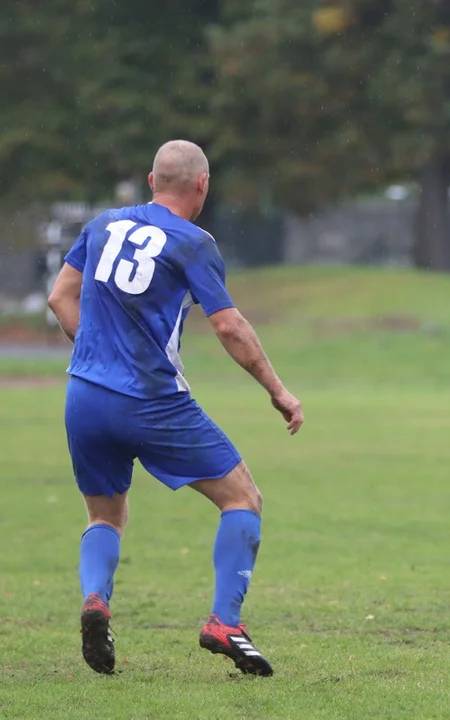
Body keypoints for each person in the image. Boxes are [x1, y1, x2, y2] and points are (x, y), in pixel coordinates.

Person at [47, 139, 304, 676]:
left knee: (104, 515)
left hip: (85, 395)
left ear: (150, 181)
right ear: (202, 186)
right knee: (242, 499)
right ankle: (224, 622)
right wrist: (278, 391)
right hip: (152, 401)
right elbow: (229, 325)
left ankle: (96, 599)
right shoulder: (193, 242)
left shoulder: (102, 225)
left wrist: (96, 353)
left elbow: (59, 298)